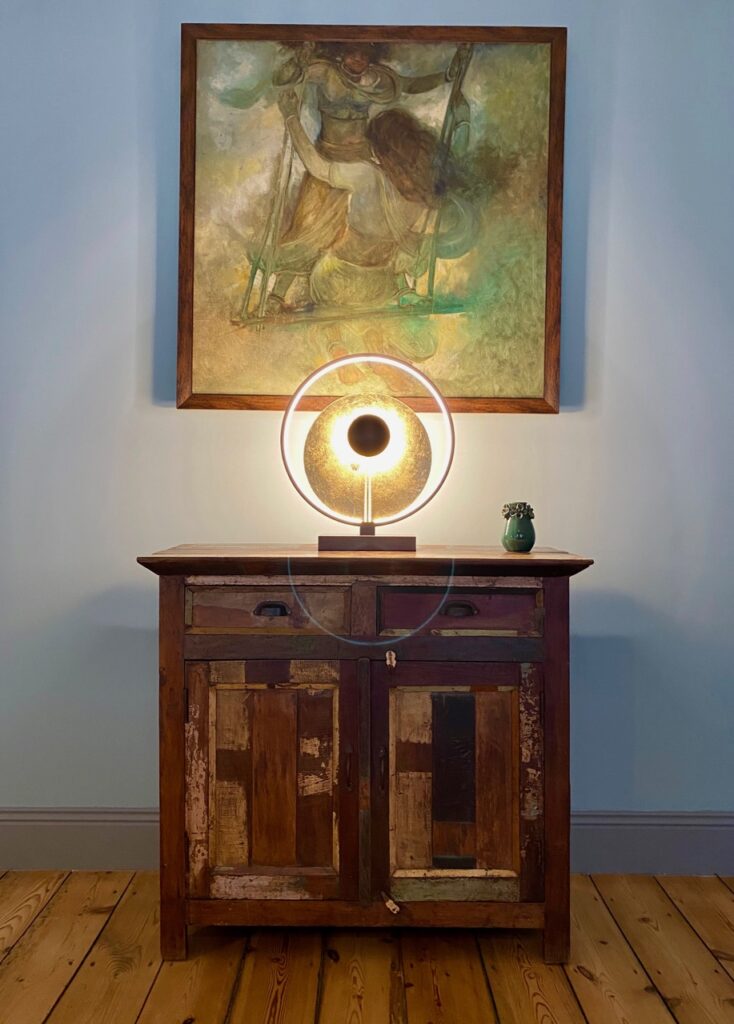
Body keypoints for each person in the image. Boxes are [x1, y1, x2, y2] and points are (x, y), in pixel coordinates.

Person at [263, 42, 468, 313]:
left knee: (383, 225)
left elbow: (409, 85)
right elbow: (284, 79)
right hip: (327, 160)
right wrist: (297, 63)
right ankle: (276, 295)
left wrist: (446, 76)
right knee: (309, 226)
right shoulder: (325, 73)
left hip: (362, 159)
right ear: (341, 52)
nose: (359, 59)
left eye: (365, 55)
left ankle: (401, 288)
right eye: (353, 52)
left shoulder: (377, 79)